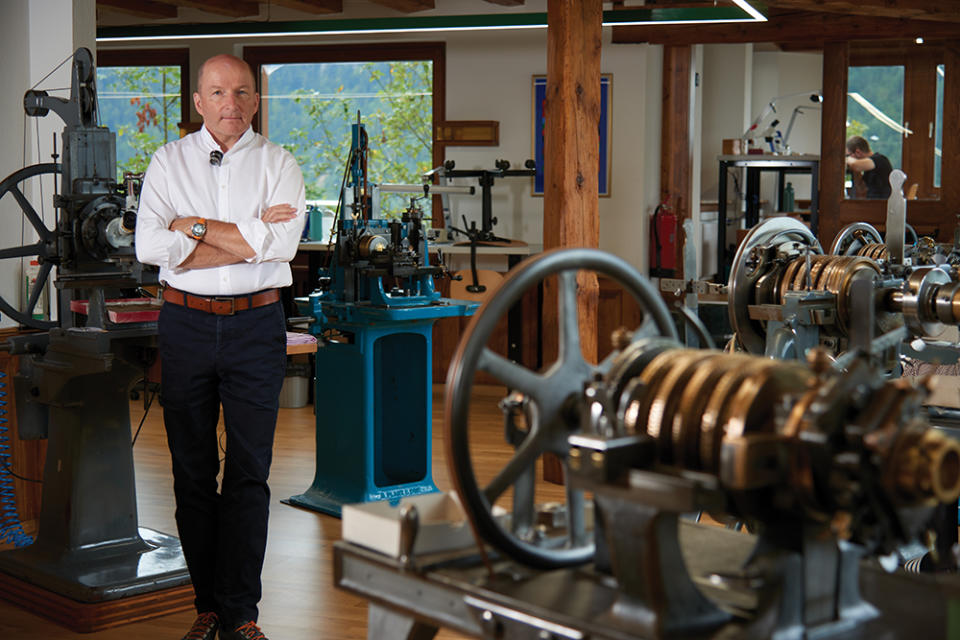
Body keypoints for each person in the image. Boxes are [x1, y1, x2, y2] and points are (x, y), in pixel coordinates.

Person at [135, 54, 305, 640]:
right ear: (198, 102)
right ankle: (206, 608)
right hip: (184, 326)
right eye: (217, 92)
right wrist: (249, 236)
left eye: (241, 92)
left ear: (255, 101)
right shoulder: (167, 160)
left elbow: (281, 247)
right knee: (191, 471)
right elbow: (149, 246)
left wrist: (195, 226)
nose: (230, 103)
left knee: (250, 473)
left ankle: (243, 614)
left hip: (257, 328)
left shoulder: (280, 163)